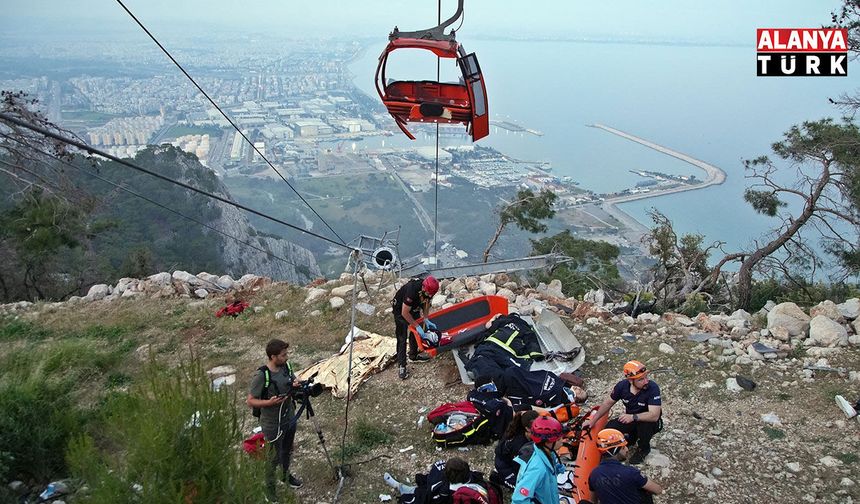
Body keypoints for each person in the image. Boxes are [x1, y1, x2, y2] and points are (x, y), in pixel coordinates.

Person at [246, 339, 302, 500]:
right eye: (283, 355)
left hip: (289, 417)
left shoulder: (287, 366)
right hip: (272, 423)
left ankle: (285, 475)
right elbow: (250, 401)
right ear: (273, 357)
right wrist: (268, 403)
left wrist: (296, 383)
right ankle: (270, 491)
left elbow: (292, 379)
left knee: (287, 450)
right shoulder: (262, 375)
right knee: (272, 458)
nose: (287, 357)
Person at [582, 360, 662, 465]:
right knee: (610, 427)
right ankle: (628, 440)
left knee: (645, 426)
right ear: (630, 380)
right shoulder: (622, 387)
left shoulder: (652, 388)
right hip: (631, 419)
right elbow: (608, 403)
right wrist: (593, 420)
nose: (646, 381)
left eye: (646, 377)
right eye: (641, 379)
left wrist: (633, 417)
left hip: (648, 421)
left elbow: (654, 415)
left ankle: (644, 449)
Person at [588, 428, 663, 504]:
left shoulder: (594, 474)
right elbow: (657, 490)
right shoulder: (631, 472)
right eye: (623, 447)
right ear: (616, 450)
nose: (627, 449)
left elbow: (592, 501)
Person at [383, 457, 493, 503]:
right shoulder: (474, 479)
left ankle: (401, 487)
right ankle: (405, 488)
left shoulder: (444, 490)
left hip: (439, 497)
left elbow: (431, 495)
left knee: (420, 493)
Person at [391, 275, 439, 379]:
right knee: (402, 337)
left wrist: (426, 318)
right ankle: (402, 365)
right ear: (424, 288)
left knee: (415, 333)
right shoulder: (412, 290)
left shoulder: (429, 290)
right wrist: (417, 326)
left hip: (414, 307)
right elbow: (405, 313)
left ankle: (413, 355)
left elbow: (426, 302)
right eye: (429, 293)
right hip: (401, 309)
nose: (430, 295)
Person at [512, 416, 564, 504]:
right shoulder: (537, 469)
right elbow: (518, 500)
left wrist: (556, 469)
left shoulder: (546, 451)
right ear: (547, 442)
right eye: (558, 439)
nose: (562, 440)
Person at [492, 410, 539, 491]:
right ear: (527, 429)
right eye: (536, 430)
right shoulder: (519, 445)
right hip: (506, 466)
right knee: (525, 490)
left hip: (510, 459)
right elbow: (520, 467)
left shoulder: (519, 429)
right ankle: (498, 477)